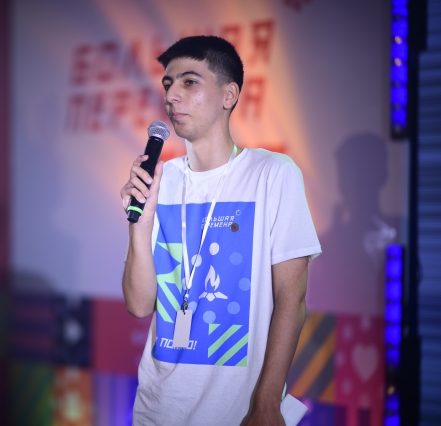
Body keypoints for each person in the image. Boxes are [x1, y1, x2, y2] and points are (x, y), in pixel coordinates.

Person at [120, 35, 321, 425]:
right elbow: (140, 305)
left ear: (229, 95)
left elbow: (292, 298)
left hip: (238, 411)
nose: (171, 95)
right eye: (168, 84)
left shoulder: (272, 173)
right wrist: (139, 228)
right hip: (157, 408)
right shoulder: (162, 179)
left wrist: (266, 401)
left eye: (189, 82)